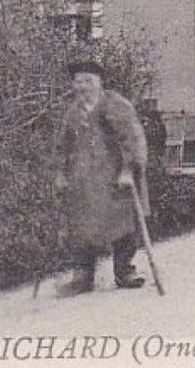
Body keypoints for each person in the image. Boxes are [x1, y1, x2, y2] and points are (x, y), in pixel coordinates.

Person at [54, 58, 149, 294]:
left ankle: (124, 270)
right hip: (83, 178)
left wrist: (128, 170)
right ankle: (84, 275)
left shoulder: (116, 105)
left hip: (114, 176)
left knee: (122, 221)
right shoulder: (72, 112)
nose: (83, 86)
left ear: (99, 82)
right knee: (80, 223)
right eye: (78, 82)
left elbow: (133, 139)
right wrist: (61, 173)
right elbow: (62, 146)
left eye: (89, 80)